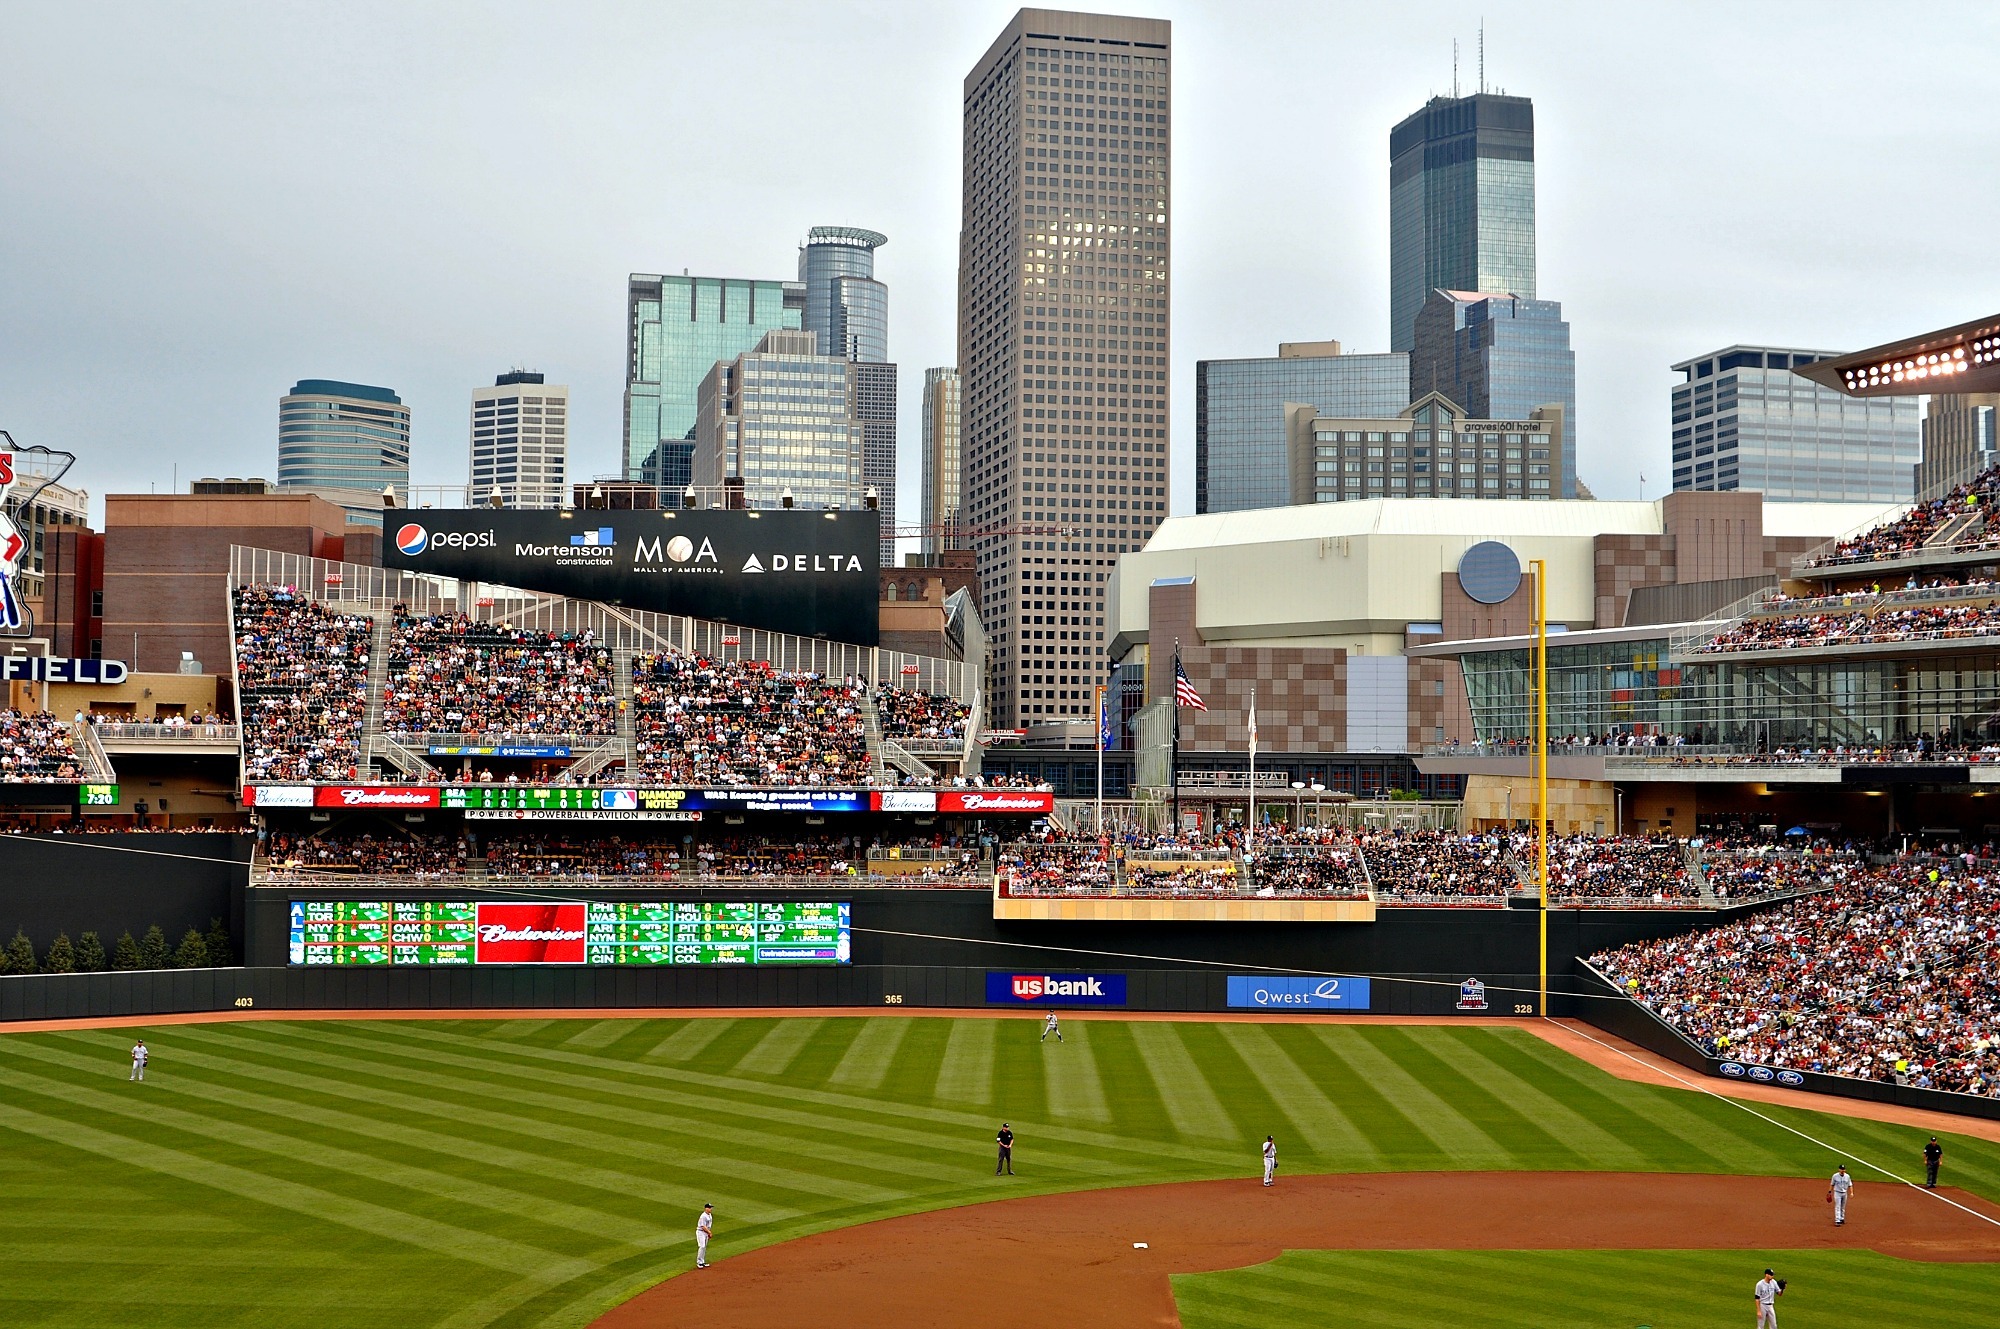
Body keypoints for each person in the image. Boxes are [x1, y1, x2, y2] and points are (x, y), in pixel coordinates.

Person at [695, 1203, 714, 1269]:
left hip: (705, 1232)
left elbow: (708, 1225)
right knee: (702, 1246)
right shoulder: (703, 1216)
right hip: (701, 1232)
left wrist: (708, 1233)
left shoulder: (710, 1215)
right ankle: (699, 1262)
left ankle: (702, 1261)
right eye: (709, 1208)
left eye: (711, 1207)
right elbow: (702, 1226)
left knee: (704, 1247)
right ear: (706, 1208)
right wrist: (709, 1232)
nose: (710, 1209)